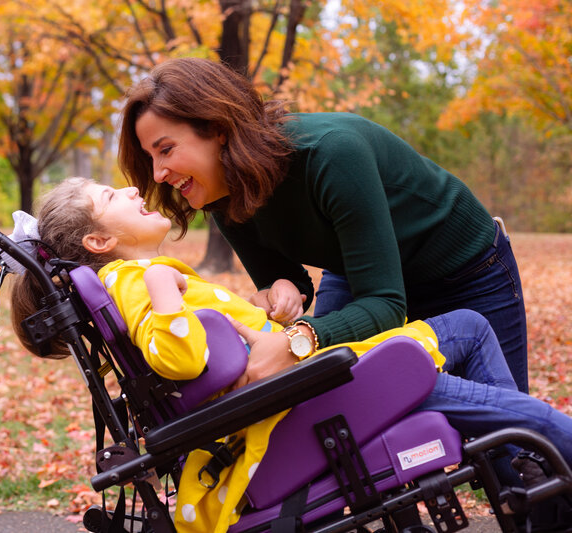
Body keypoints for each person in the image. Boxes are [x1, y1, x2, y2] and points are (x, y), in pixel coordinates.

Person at [9, 178, 572, 533]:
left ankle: (530, 496)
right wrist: (160, 279)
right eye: (110, 197)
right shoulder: (136, 278)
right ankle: (536, 493)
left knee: (472, 330)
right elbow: (178, 358)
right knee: (530, 414)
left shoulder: (132, 279)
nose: (132, 190)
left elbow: (216, 345)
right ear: (99, 242)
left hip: (304, 387)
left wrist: (265, 310)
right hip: (323, 394)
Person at [116, 57, 529, 394]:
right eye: (150, 158)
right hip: (359, 276)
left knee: (513, 450)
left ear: (218, 129)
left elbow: (385, 303)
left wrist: (299, 340)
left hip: (466, 272)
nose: (157, 174)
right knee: (331, 396)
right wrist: (281, 293)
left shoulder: (330, 153)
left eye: (165, 150)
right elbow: (291, 282)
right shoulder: (222, 195)